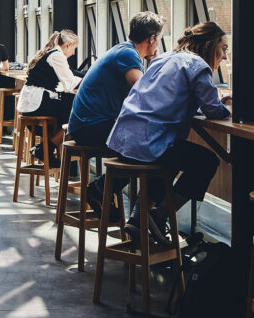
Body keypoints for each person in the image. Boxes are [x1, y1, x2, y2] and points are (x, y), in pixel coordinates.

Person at [107, 21, 232, 246]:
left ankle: (138, 218)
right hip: (149, 142)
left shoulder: (162, 58)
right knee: (206, 162)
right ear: (211, 45)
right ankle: (159, 216)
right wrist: (228, 106)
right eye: (223, 49)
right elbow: (213, 110)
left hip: (124, 138)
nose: (224, 56)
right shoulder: (197, 66)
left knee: (172, 154)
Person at [68, 12, 164, 150]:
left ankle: (121, 172)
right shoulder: (128, 54)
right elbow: (143, 92)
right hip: (91, 129)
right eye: (159, 39)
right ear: (152, 39)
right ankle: (120, 172)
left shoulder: (123, 50)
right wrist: (155, 62)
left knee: (155, 141)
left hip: (86, 126)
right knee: (157, 144)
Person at [17, 30, 82, 163]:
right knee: (76, 116)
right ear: (68, 45)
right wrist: (91, 80)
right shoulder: (57, 56)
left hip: (33, 101)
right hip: (36, 104)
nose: (74, 53)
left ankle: (46, 149)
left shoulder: (51, 53)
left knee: (70, 110)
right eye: (74, 48)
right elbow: (70, 83)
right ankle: (46, 149)